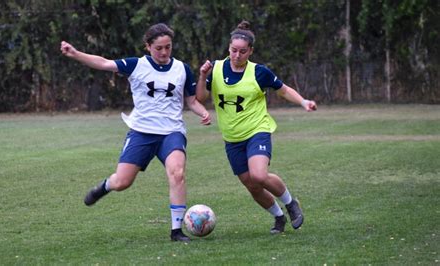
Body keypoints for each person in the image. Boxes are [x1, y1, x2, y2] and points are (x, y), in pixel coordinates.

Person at [61, 23, 211, 242]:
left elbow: (190, 100)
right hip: (142, 132)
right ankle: (105, 186)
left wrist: (202, 112)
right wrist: (75, 54)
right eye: (159, 47)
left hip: (172, 132)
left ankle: (176, 231)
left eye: (168, 47)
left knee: (177, 173)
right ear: (148, 46)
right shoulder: (136, 65)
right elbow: (103, 63)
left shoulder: (182, 68)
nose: (164, 52)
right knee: (123, 182)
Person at [196, 21, 317, 234]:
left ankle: (290, 204)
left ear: (250, 51)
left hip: (256, 131)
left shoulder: (259, 72)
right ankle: (278, 217)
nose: (237, 55)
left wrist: (303, 102)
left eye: (243, 51)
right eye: (234, 50)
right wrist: (203, 75)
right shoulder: (215, 69)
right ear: (229, 49)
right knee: (251, 185)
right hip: (232, 138)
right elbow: (200, 97)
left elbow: (283, 90)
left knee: (259, 175)